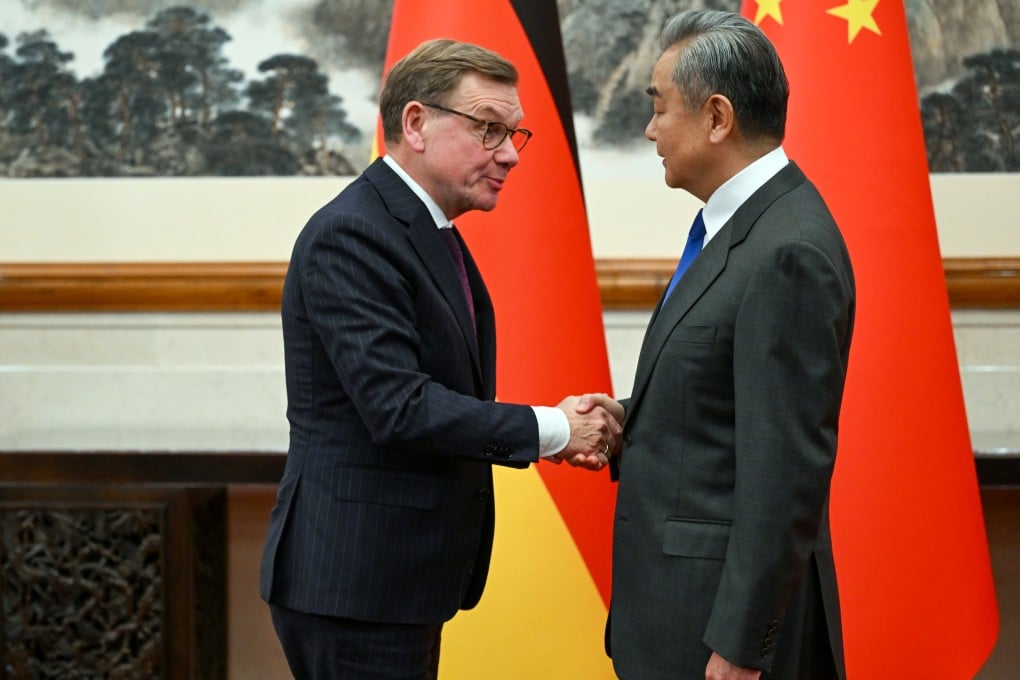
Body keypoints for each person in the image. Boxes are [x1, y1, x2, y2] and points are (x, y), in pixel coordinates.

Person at [259, 38, 620, 679]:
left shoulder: (425, 229)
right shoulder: (354, 233)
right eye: (488, 130)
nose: (509, 154)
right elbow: (399, 408)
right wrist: (557, 429)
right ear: (416, 123)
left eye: (514, 134)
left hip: (397, 581)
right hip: (356, 586)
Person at [604, 10, 856, 680]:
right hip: (678, 614)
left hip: (719, 636)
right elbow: (727, 396)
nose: (651, 130)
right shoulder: (741, 226)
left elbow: (783, 471)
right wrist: (630, 420)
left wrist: (742, 647)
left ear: (717, 117)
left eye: (659, 108)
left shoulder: (787, 249)